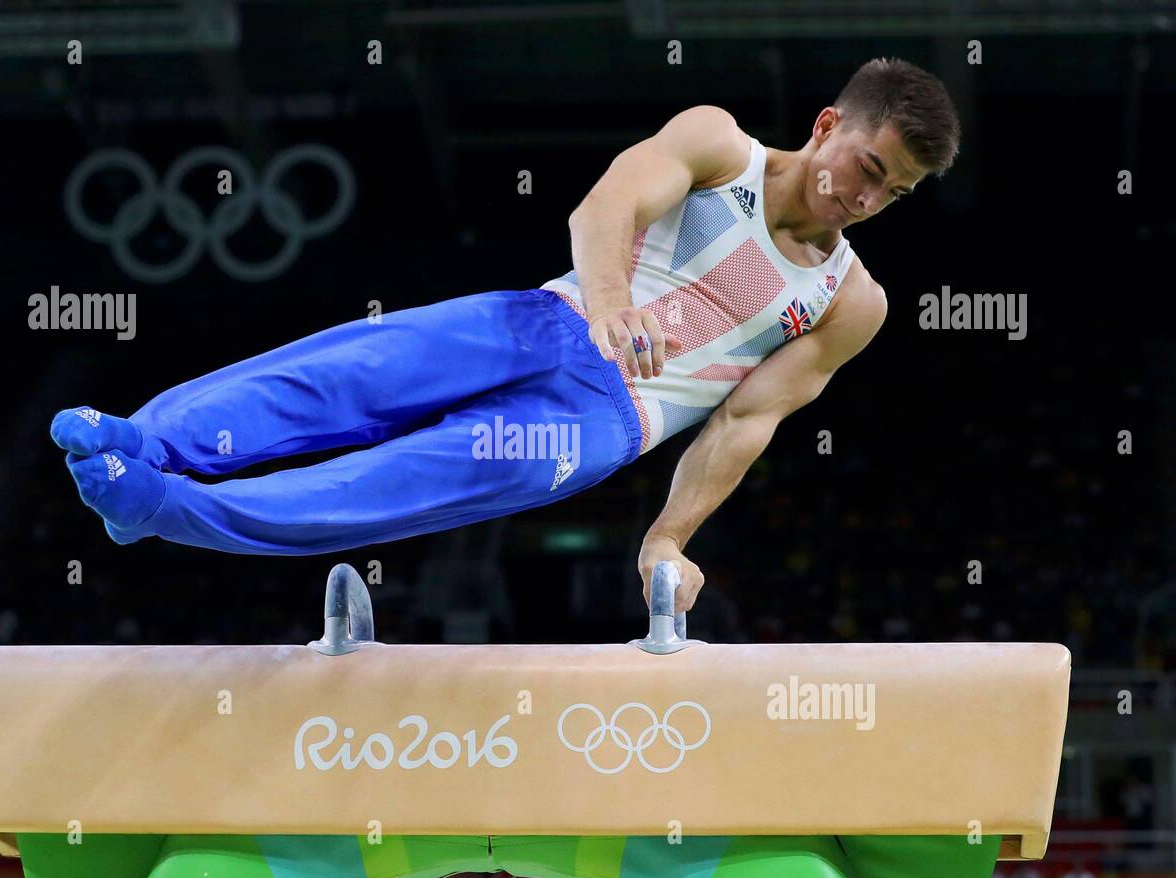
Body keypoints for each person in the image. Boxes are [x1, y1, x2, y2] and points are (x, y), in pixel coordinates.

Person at [52, 57, 959, 611]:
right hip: (545, 323)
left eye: (896, 193)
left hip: (601, 425)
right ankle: (147, 441)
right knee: (341, 376)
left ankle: (158, 507)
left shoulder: (851, 304)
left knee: (387, 483)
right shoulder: (720, 145)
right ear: (829, 125)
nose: (868, 199)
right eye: (869, 167)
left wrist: (667, 539)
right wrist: (608, 304)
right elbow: (606, 203)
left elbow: (742, 425)